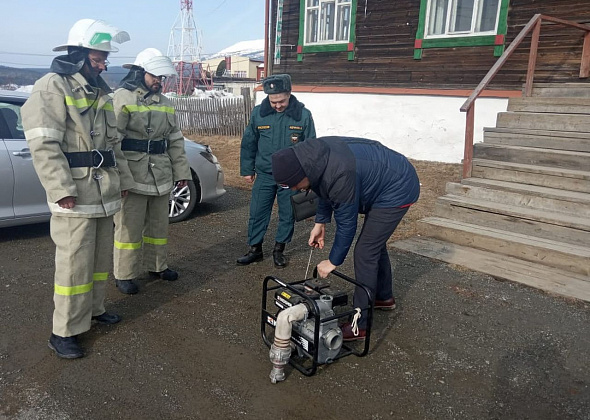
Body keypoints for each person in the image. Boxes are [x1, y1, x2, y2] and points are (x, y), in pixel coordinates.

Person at [21, 19, 134, 358]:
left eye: (104, 59)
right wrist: (60, 189)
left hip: (102, 193)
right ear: (79, 54)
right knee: (74, 266)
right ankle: (65, 331)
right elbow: (44, 146)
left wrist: (123, 181)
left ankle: (94, 310)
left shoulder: (97, 89)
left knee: (98, 261)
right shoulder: (52, 87)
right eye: (98, 58)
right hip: (76, 195)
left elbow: (113, 144)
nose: (102, 64)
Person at [271, 136, 420, 341]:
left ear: (302, 172)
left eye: (295, 185)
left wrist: (333, 261)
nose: (295, 190)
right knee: (373, 244)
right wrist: (320, 222)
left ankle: (361, 325)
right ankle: (383, 297)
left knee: (365, 251)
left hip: (397, 187)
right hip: (379, 178)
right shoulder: (313, 159)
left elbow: (347, 225)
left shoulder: (339, 172)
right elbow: (323, 187)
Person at [112, 48, 191, 295]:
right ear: (140, 72)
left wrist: (182, 174)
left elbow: (175, 140)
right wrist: (121, 177)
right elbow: (113, 140)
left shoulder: (165, 103)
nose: (159, 81)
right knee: (129, 228)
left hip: (160, 174)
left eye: (162, 77)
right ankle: (124, 273)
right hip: (133, 175)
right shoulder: (122, 98)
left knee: (159, 227)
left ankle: (157, 266)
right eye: (154, 76)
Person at [238, 74, 316, 268]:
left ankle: (279, 249)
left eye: (281, 101)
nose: (278, 105)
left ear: (289, 94)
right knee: (257, 212)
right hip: (265, 174)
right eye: (273, 101)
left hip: (291, 178)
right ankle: (255, 249)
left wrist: (308, 176)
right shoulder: (259, 113)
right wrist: (247, 169)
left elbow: (311, 149)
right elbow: (249, 143)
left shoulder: (303, 115)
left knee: (287, 214)